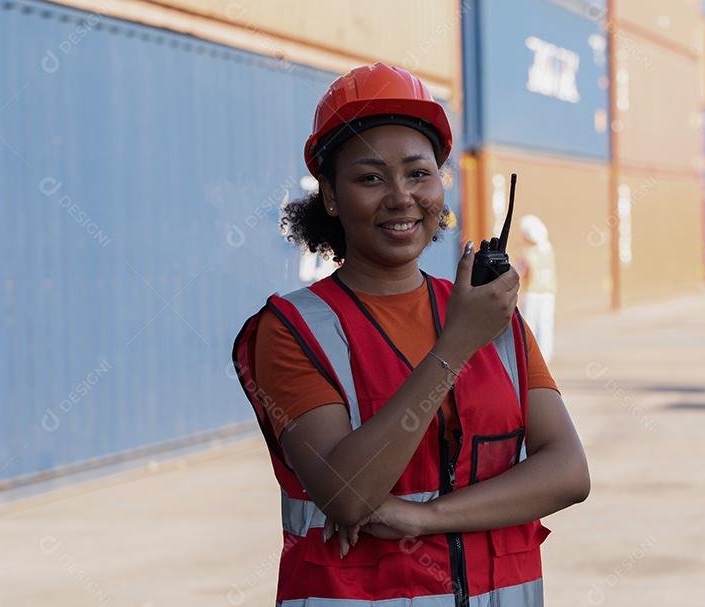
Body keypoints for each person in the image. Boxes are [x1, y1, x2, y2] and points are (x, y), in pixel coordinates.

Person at [232, 63, 590, 607]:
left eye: (419, 173)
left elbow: (567, 471)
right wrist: (454, 347)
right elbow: (348, 496)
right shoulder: (293, 329)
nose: (401, 197)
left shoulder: (490, 313)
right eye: (370, 178)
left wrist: (424, 517)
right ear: (330, 195)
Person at [516, 215, 557, 362]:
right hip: (549, 293)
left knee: (530, 326)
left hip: (532, 293)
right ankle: (545, 356)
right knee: (545, 325)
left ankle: (530, 357)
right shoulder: (548, 248)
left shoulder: (527, 251)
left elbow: (523, 271)